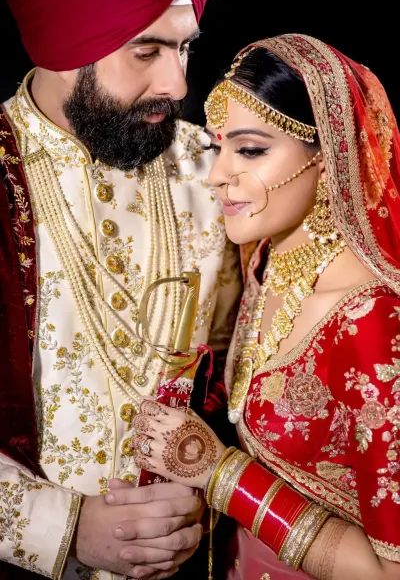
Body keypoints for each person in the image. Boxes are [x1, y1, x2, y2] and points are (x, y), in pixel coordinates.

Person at [128, 34, 400, 579]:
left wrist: (217, 471)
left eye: (250, 150)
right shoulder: (264, 261)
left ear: (330, 154)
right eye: (217, 146)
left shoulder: (371, 320)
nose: (217, 175)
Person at [0, 0, 242, 579]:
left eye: (184, 50)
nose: (178, 84)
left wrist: (208, 484)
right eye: (146, 52)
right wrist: (63, 527)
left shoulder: (222, 169)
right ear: (65, 47)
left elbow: (252, 366)